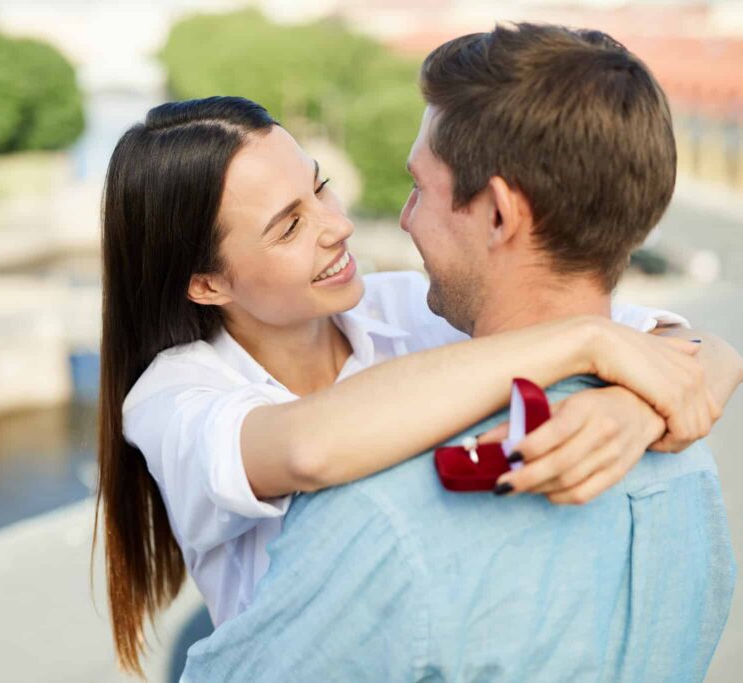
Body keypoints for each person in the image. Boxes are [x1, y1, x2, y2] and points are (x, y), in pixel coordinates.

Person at [180, 24, 740, 682]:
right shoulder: (690, 473)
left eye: (420, 187)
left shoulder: (379, 515)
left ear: (500, 214)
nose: (406, 218)